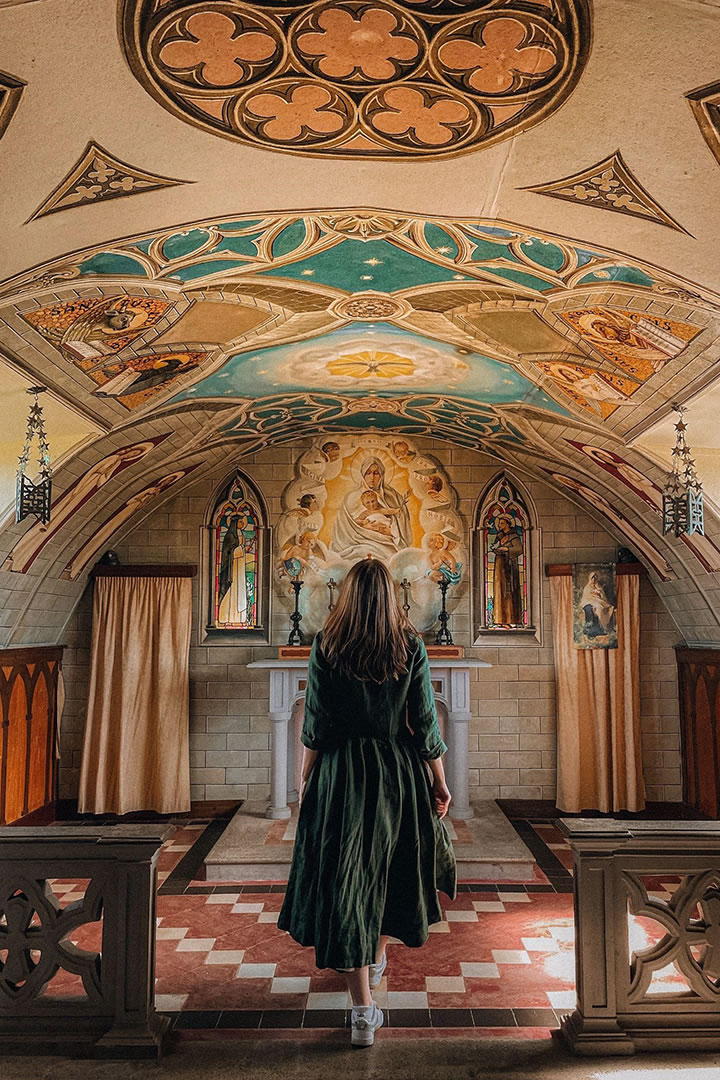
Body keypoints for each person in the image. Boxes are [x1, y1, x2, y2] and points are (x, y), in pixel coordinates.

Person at [278, 559, 456, 1048]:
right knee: (388, 872)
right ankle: (373, 965)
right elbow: (424, 722)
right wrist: (440, 782)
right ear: (391, 598)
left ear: (349, 596)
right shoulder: (410, 646)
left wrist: (305, 777)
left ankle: (361, 1011)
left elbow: (315, 723)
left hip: (342, 775)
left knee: (349, 881)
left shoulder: (327, 645)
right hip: (397, 773)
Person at [331, 456, 411, 560]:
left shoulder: (392, 495)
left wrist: (391, 531)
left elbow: (401, 522)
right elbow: (344, 527)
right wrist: (366, 527)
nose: (372, 477)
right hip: (359, 542)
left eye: (376, 473)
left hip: (387, 540)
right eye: (368, 473)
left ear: (381, 475)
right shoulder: (351, 497)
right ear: (363, 474)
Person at [490, 513, 524, 625]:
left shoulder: (514, 536)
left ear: (508, 524)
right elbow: (495, 546)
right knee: (500, 589)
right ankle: (500, 619)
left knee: (510, 591)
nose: (500, 525)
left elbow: (519, 549)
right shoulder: (499, 536)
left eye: (502, 523)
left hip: (510, 566)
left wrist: (506, 549)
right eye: (499, 523)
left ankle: (512, 620)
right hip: (499, 565)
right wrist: (496, 548)